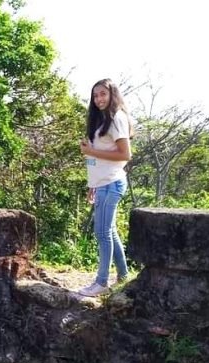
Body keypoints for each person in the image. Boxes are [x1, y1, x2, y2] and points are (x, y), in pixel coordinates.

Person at [77, 78, 134, 297]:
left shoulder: (117, 118)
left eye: (103, 94)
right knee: (109, 231)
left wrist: (90, 152)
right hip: (103, 183)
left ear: (112, 95)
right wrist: (93, 184)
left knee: (102, 233)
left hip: (111, 183)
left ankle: (101, 282)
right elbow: (97, 160)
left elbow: (125, 154)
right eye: (95, 95)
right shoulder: (101, 120)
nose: (99, 99)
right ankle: (122, 275)